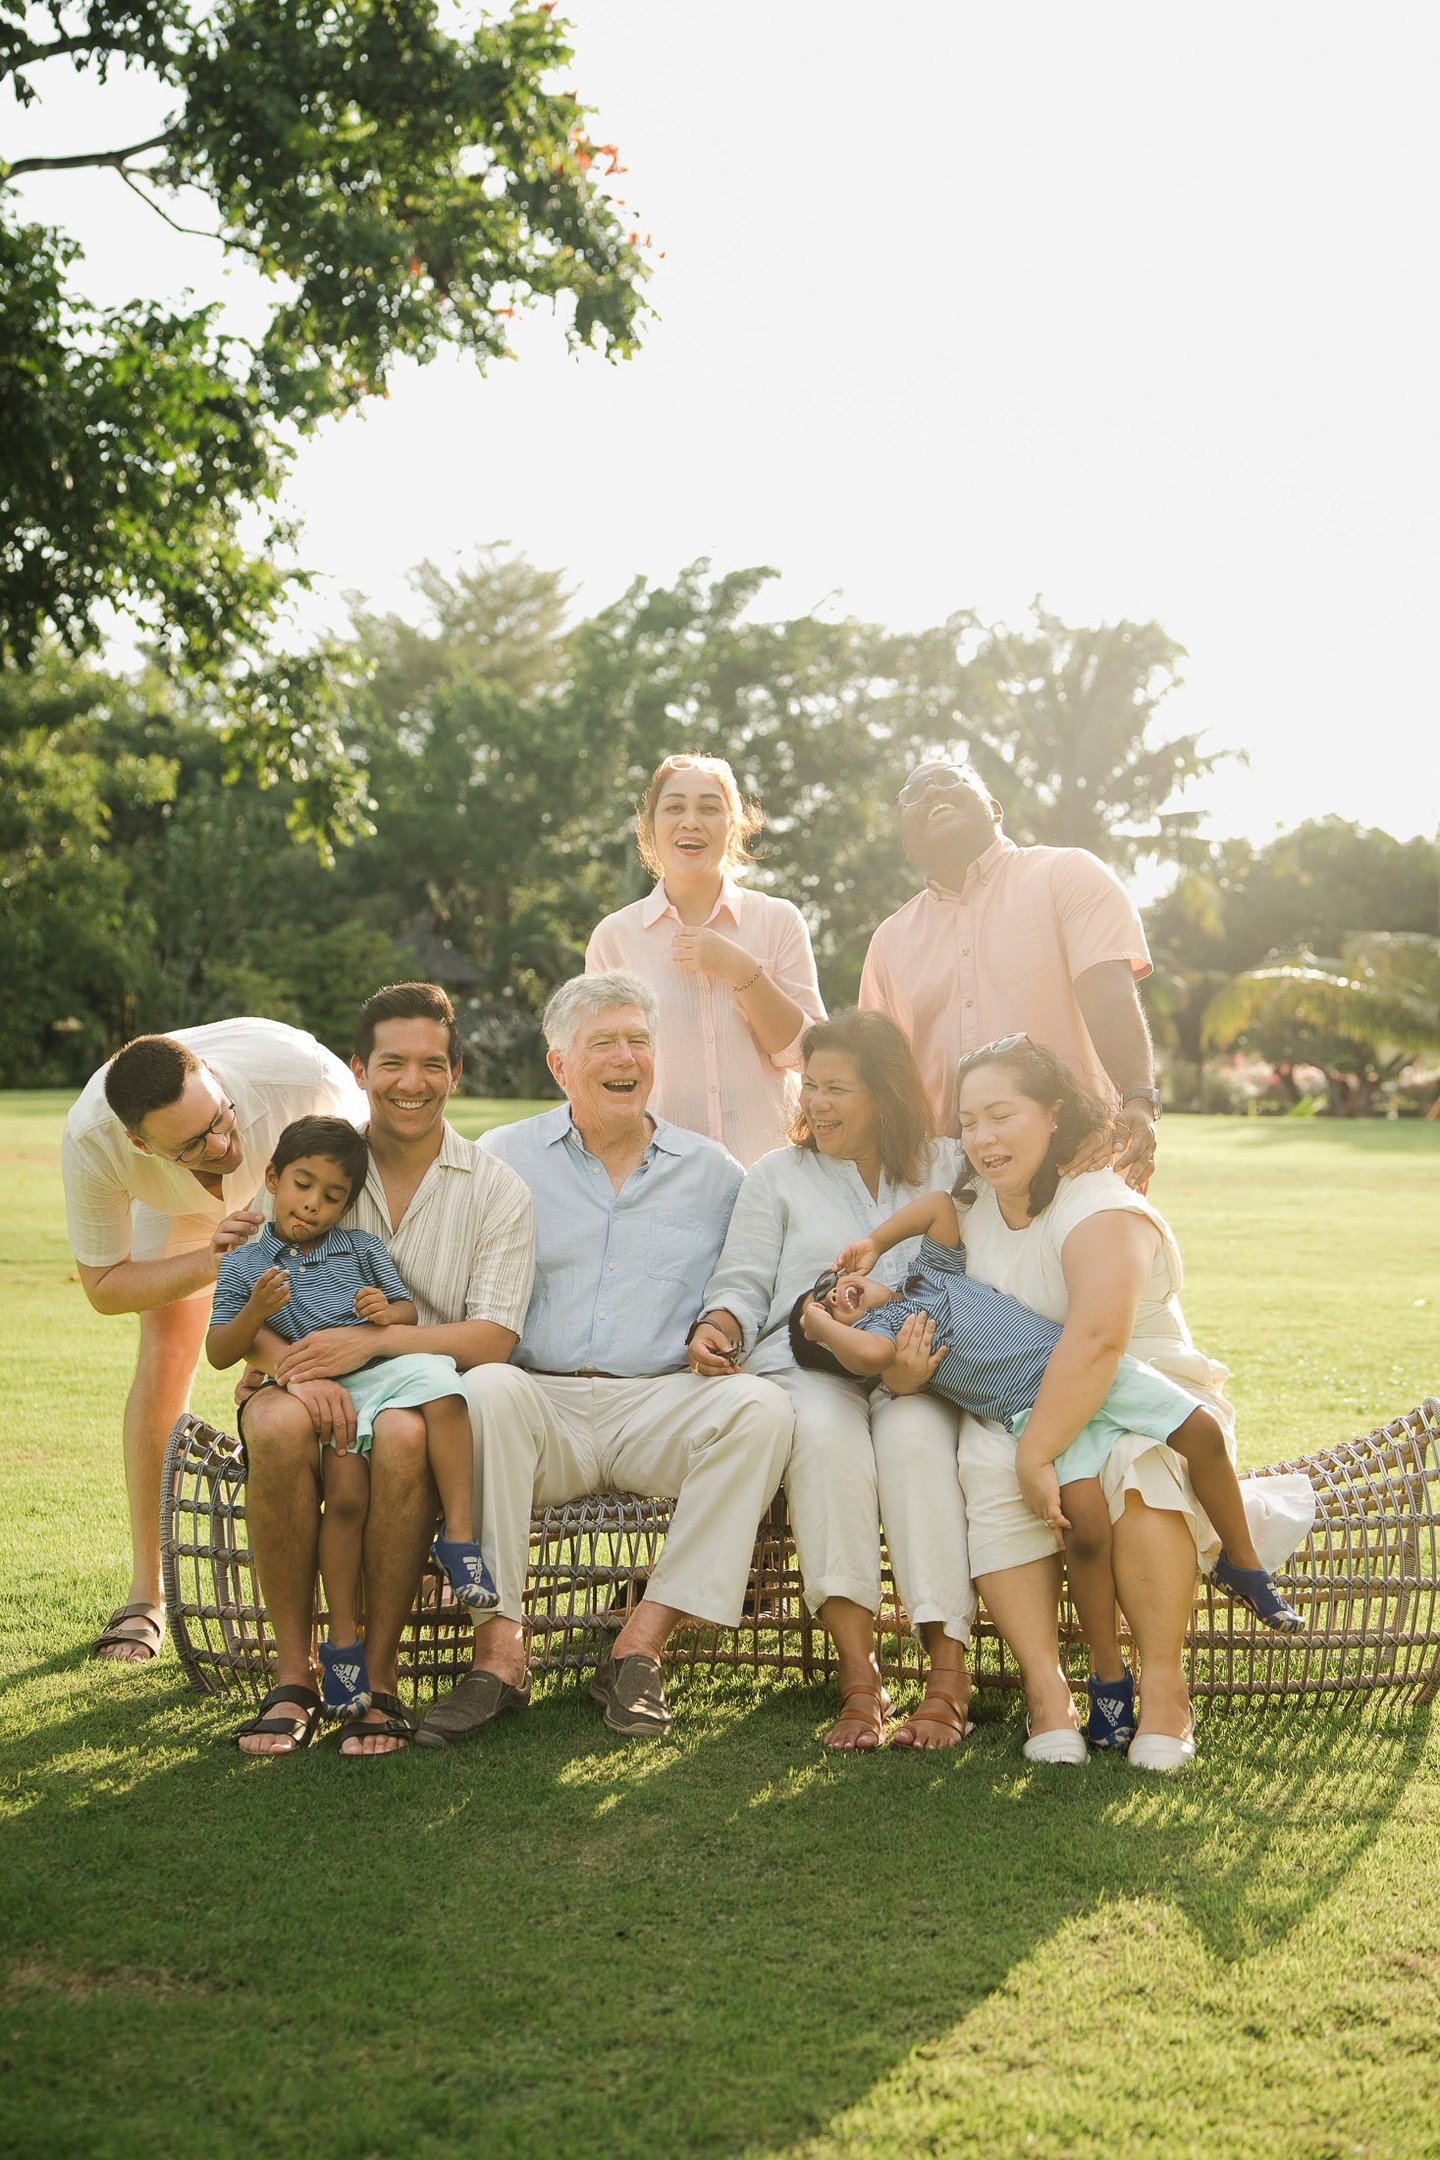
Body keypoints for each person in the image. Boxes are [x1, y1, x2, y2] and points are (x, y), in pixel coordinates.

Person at [887, 1034, 1314, 1772]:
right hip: (1022, 1399)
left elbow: (1095, 1341)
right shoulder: (971, 1210)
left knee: (1135, 1461)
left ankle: (1163, 1689)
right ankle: (1048, 1693)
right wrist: (905, 1376)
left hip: (1142, 1390)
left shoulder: (1100, 1201)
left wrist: (1038, 1453)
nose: (983, 1138)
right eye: (968, 1121)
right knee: (981, 1458)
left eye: (1002, 1114)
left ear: (1054, 1113)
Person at [412, 970, 793, 1750]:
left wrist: (722, 1320)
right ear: (560, 1066)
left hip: (660, 1401)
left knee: (763, 1410)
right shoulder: (502, 1158)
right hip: (538, 1404)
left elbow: (749, 1281)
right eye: (604, 1043)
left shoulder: (715, 1171)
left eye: (640, 1041)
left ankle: (639, 1646)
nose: (627, 1057)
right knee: (484, 1389)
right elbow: (441, 1279)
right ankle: (501, 1654)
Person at [793, 1187, 1303, 1745]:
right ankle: (1108, 1676)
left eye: (828, 1289)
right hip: (1036, 1416)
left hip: (1082, 1370)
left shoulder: (929, 1274)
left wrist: (873, 1241)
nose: (836, 1297)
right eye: (827, 1309)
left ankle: (1245, 1565)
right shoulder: (888, 1342)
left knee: (1201, 1431)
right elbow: (865, 1358)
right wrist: (820, 1327)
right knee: (1082, 1527)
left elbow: (939, 1205)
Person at [233, 983, 536, 1758]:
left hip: (423, 1397)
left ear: (456, 1073)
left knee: (401, 1435)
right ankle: (295, 1675)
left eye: (431, 1064)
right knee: (270, 1422)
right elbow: (245, 1280)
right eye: (393, 1062)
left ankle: (378, 1679)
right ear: (360, 1067)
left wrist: (369, 1347)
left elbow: (493, 1338)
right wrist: (297, 1370)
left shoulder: (495, 1188)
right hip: (306, 1382)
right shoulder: (322, 1166)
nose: (412, 1081)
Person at [691, 1008, 976, 1753]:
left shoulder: (948, 1165)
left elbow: (983, 1277)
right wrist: (718, 1326)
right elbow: (743, 1281)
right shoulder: (776, 1176)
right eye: (809, 1086)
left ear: (885, 1092)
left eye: (837, 1088)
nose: (816, 1103)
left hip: (919, 1371)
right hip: (806, 1365)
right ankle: (861, 1679)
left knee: (916, 1447)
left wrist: (920, 1364)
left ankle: (948, 1676)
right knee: (823, 1440)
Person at [61, 1018, 363, 1664]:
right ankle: (148, 1595)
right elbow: (105, 1286)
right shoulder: (94, 1140)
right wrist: (208, 1264)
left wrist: (283, 1343)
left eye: (220, 1119)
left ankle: (334, 1591)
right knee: (167, 1348)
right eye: (196, 1143)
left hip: (296, 1167)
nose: (222, 1144)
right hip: (174, 1209)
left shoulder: (302, 1082)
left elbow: (368, 1209)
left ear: (209, 1074)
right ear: (142, 1144)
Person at [206, 1115, 498, 1722]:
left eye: (331, 1196)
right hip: (315, 1397)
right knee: (345, 1503)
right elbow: (219, 1350)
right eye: (302, 1186)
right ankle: (340, 1644)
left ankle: (461, 1539)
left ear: (347, 1204)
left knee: (444, 1388)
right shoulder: (242, 1265)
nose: (312, 1205)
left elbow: (405, 1311)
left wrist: (382, 1311)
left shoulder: (362, 1248)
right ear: (273, 1179)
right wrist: (258, 1309)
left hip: (371, 1379)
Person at [858, 759, 1161, 1185]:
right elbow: (883, 1072)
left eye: (950, 780)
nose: (931, 792)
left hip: (1077, 1159)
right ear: (907, 843)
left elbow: (1108, 991)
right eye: (913, 794)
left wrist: (1138, 1100)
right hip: (947, 1182)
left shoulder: (1066, 874)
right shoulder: (889, 940)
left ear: (995, 808)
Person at [585, 752, 825, 1166]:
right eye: (674, 807)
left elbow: (809, 1056)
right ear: (651, 827)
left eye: (710, 808)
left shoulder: (779, 920)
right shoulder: (615, 938)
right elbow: (600, 1071)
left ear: (734, 825)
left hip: (769, 1175)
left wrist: (743, 970)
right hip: (662, 1178)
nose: (691, 820)